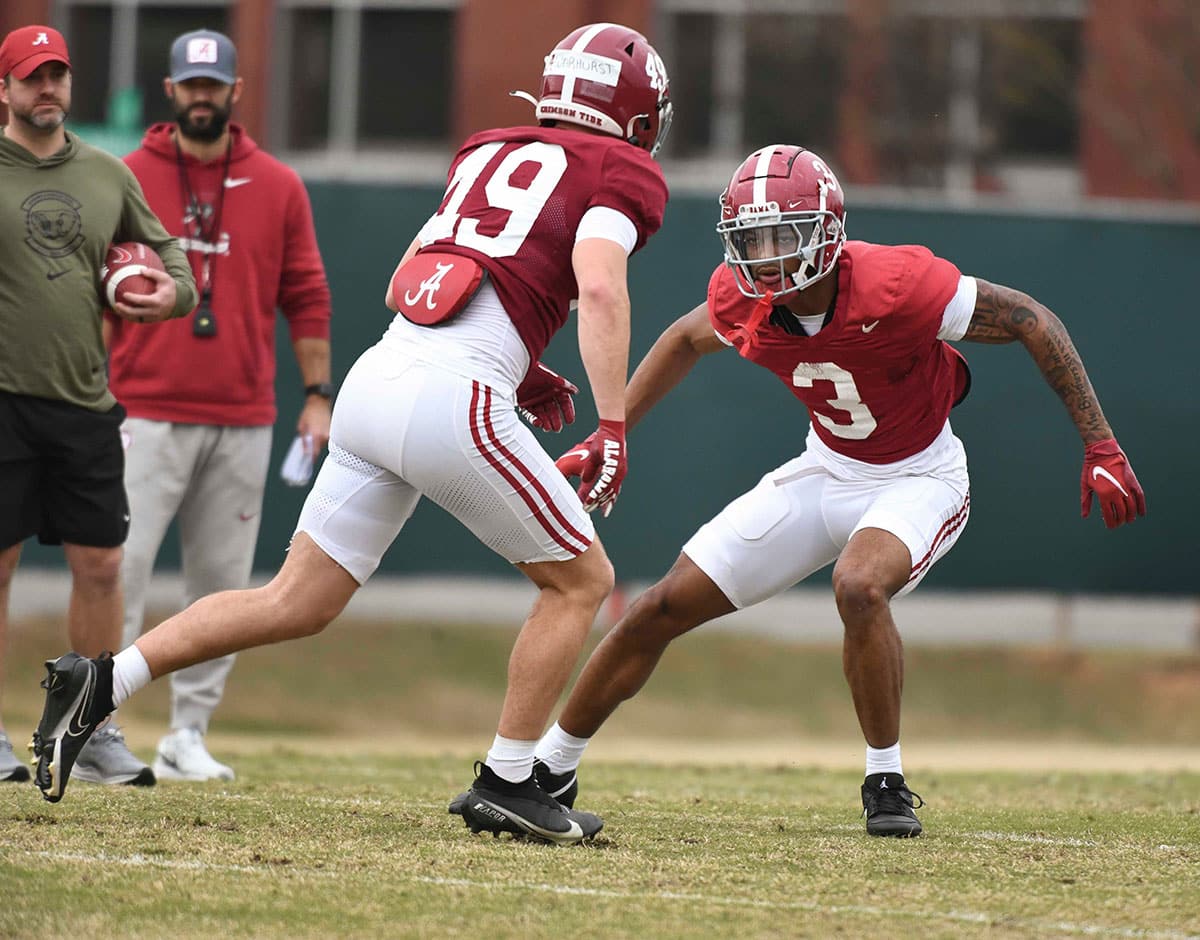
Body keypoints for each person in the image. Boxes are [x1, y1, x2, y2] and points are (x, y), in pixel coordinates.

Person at [29, 22, 673, 845]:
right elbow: (602, 289)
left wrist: (520, 359)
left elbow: (418, 273)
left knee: (296, 600)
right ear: (636, 112)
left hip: (381, 378)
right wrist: (613, 423)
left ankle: (102, 681)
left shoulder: (487, 148)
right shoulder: (620, 166)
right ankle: (511, 779)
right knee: (580, 582)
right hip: (453, 398)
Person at [531, 144, 1146, 838]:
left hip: (920, 475)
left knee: (859, 585)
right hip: (826, 468)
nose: (764, 256)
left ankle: (886, 780)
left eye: (780, 236)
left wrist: (1100, 442)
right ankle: (550, 766)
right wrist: (609, 431)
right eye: (749, 239)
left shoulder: (900, 285)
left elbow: (1032, 319)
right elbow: (682, 338)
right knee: (658, 607)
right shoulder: (744, 298)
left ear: (828, 231)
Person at [104, 28, 334, 783]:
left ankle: (186, 733)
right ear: (170, 91)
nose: (202, 96)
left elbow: (305, 294)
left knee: (224, 585)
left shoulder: (278, 184)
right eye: (189, 85)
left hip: (241, 415)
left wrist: (316, 396)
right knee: (120, 572)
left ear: (235, 93)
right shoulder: (126, 174)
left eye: (215, 85)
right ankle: (95, 721)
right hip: (142, 407)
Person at [0, 26, 197, 786]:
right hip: (4, 403)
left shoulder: (107, 175)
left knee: (104, 565)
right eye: (32, 78)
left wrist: (166, 295)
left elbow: (171, 257)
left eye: (58, 76)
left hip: (82, 401)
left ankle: (90, 729)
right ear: (7, 90)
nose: (47, 89)